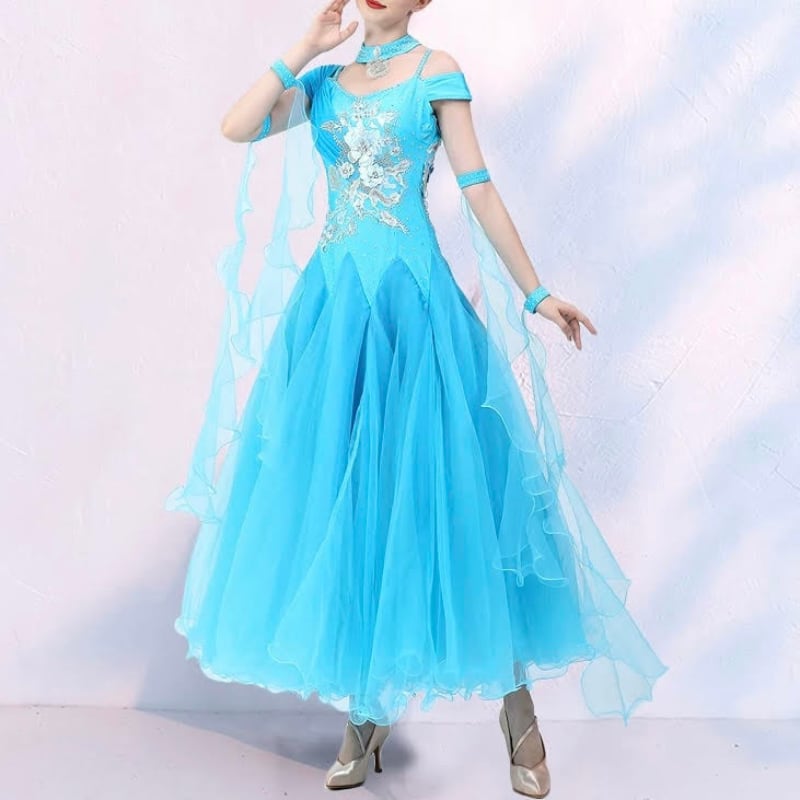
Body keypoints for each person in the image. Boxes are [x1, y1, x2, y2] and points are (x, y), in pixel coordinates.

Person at [166, 0, 668, 795]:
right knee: (349, 505)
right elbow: (237, 126)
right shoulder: (325, 84)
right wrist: (305, 47)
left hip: (415, 310)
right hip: (335, 316)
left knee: (457, 502)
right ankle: (366, 712)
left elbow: (479, 190)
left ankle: (518, 715)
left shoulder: (437, 73)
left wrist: (536, 293)